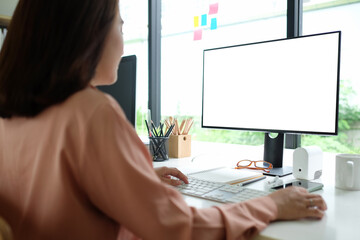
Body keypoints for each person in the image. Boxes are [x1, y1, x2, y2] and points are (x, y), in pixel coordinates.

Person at [0, 0, 327, 239]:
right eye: (121, 24)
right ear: (89, 31)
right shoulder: (89, 111)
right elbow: (176, 228)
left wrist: (134, 178)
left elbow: (55, 190)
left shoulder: (12, 114)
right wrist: (271, 205)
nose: (123, 36)